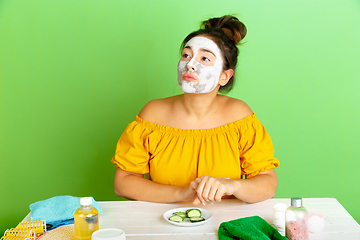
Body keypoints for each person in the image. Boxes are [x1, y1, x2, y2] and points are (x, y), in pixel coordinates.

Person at [111, 15, 280, 205]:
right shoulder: (152, 114)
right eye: (186, 55)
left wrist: (232, 186)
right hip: (165, 222)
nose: (190, 64)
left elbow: (268, 183)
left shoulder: (239, 115)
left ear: (224, 76)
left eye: (205, 58)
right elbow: (123, 183)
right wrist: (182, 193)